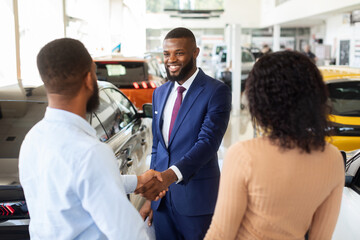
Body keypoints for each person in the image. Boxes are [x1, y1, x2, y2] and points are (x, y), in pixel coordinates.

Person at [19, 38, 164, 239]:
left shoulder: (32, 139)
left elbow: (73, 186)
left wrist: (137, 181)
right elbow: (129, 233)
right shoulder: (90, 151)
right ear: (88, 79)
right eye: (95, 72)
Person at [205, 51, 345, 240]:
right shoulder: (333, 158)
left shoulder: (244, 154)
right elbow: (321, 237)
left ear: (260, 100)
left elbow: (221, 234)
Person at [136, 27, 232, 239]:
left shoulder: (216, 91)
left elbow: (207, 143)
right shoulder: (159, 93)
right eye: (166, 54)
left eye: (179, 53)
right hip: (162, 203)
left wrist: (169, 177)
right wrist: (151, 198)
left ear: (195, 52)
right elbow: (157, 147)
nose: (171, 59)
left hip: (196, 201)